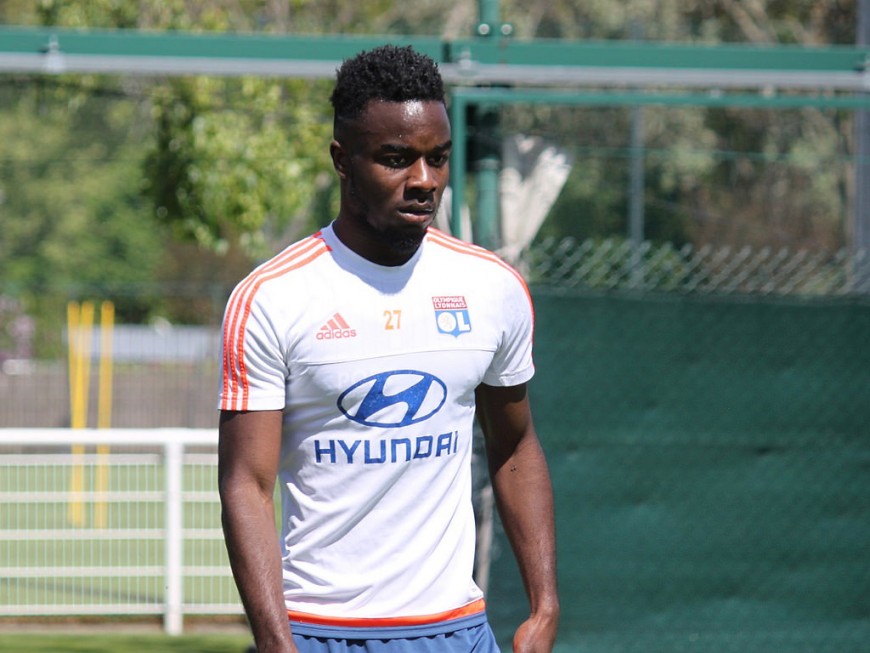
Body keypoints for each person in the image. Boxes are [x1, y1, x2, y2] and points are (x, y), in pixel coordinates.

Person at [218, 44, 559, 653]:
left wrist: (544, 605)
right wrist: (275, 641)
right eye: (396, 159)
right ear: (342, 161)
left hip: (456, 629)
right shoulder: (272, 298)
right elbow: (246, 484)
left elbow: (515, 446)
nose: (424, 181)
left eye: (438, 158)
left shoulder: (493, 288)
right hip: (321, 632)